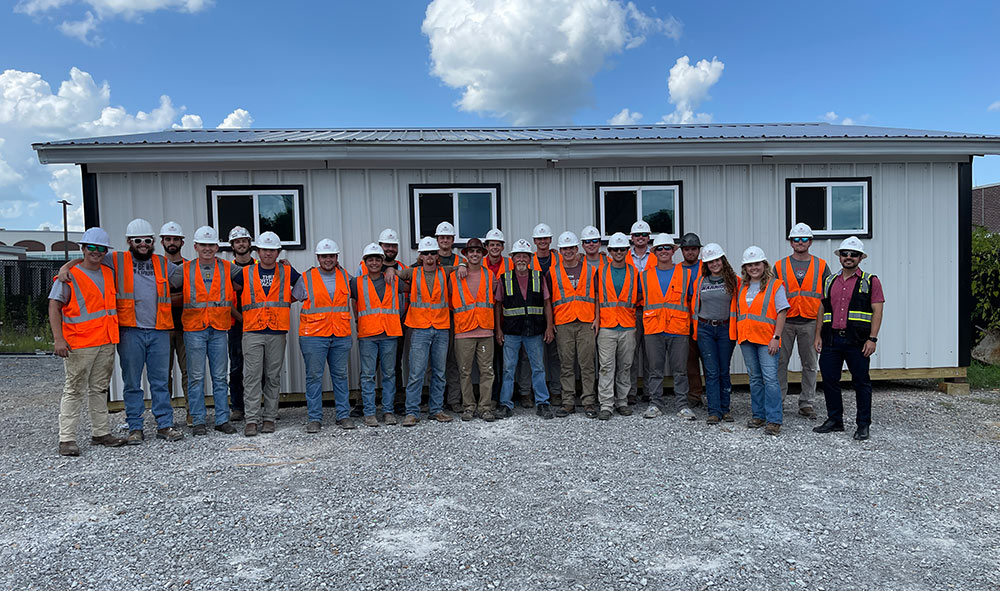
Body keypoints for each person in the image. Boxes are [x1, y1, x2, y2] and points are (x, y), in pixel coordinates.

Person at [56, 218, 186, 443]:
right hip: (130, 331)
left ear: (153, 242)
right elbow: (89, 258)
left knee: (160, 381)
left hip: (159, 331)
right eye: (138, 240)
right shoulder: (115, 260)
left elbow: (188, 276)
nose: (143, 244)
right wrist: (66, 266)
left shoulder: (163, 264)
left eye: (147, 240)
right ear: (129, 241)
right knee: (132, 382)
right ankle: (135, 427)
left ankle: (165, 425)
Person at [49, 227, 126, 456]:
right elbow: (54, 306)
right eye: (91, 247)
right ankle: (66, 439)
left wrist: (69, 263)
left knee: (100, 389)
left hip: (105, 340)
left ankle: (100, 432)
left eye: (100, 248)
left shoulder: (108, 272)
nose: (96, 252)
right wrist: (58, 339)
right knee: (74, 390)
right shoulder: (69, 276)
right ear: (83, 248)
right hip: (79, 343)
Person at [168, 225, 239, 436]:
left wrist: (282, 266)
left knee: (219, 377)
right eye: (203, 245)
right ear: (196, 246)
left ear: (217, 247)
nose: (207, 249)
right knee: (196, 377)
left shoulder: (228, 268)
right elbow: (165, 286)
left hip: (219, 328)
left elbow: (250, 276)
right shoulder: (184, 269)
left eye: (211, 245)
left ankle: (222, 420)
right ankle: (198, 420)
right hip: (194, 330)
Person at [813, 237, 885, 441]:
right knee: (829, 380)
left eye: (853, 254)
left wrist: (873, 339)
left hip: (858, 342)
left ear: (860, 257)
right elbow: (822, 310)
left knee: (861, 382)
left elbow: (877, 311)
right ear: (840, 257)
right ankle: (835, 420)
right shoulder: (829, 281)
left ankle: (863, 425)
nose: (849, 257)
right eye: (845, 253)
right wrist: (818, 335)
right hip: (831, 340)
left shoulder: (871, 281)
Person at [233, 231, 300, 437]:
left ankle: (269, 418)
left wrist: (287, 301)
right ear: (258, 251)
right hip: (252, 331)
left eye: (272, 250)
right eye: (264, 250)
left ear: (278, 252)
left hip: (277, 331)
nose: (268, 254)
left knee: (272, 376)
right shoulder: (245, 273)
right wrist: (240, 316)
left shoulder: (287, 271)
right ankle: (251, 420)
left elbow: (305, 288)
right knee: (251, 377)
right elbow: (227, 294)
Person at [294, 239, 352, 432]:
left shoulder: (345, 276)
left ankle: (343, 416)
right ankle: (314, 418)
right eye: (324, 256)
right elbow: (292, 297)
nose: (328, 259)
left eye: (331, 256)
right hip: (313, 336)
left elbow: (362, 289)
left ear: (337, 258)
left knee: (341, 376)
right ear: (318, 258)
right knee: (314, 377)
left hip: (340, 334)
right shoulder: (306, 278)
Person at [495, 239, 556, 419]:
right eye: (518, 256)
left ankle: (542, 403)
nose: (521, 259)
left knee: (538, 368)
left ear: (530, 258)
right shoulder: (504, 279)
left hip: (535, 331)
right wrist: (498, 329)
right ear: (512, 258)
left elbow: (547, 303)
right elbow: (498, 305)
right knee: (508, 369)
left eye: (525, 256)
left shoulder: (539, 276)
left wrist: (550, 327)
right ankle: (505, 404)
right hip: (511, 332)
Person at [774, 222, 828, 419]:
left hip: (810, 322)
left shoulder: (821, 265)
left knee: (810, 364)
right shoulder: (779, 266)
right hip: (785, 321)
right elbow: (772, 295)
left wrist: (820, 331)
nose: (800, 242)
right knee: (780, 363)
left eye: (804, 239)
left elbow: (825, 299)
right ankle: (777, 402)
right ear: (790, 242)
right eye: (796, 239)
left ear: (810, 241)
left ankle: (807, 403)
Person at [732, 246, 789, 436]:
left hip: (767, 340)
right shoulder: (742, 286)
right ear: (745, 268)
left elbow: (782, 312)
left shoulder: (775, 285)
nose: (753, 268)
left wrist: (776, 337)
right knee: (755, 378)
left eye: (757, 264)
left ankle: (774, 419)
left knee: (770, 379)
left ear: (764, 265)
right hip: (747, 338)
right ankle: (758, 415)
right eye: (749, 265)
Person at [398, 236, 454, 427]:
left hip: (441, 328)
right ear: (420, 256)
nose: (429, 256)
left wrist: (462, 266)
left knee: (439, 372)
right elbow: (394, 274)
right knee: (416, 372)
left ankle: (436, 410)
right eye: (425, 253)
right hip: (420, 329)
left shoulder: (444, 271)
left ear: (437, 255)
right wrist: (389, 269)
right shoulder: (412, 273)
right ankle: (412, 412)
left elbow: (460, 268)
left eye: (432, 253)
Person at [639, 234, 693, 420]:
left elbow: (692, 300)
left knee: (680, 370)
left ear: (673, 251)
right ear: (654, 252)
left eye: (667, 248)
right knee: (655, 369)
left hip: (678, 329)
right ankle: (655, 404)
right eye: (659, 249)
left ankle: (682, 405)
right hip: (653, 328)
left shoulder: (685, 274)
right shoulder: (644, 276)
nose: (663, 252)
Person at [354, 228, 407, 416]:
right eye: (387, 245)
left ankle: (392, 406)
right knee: (368, 372)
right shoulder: (361, 272)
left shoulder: (399, 269)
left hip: (393, 327)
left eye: (393, 245)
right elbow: (355, 295)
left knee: (392, 370)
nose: (390, 248)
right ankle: (365, 407)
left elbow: (411, 287)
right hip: (369, 329)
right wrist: (356, 319)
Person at [550, 231, 599, 418]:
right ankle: (568, 402)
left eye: (571, 248)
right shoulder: (553, 272)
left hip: (586, 322)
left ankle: (588, 402)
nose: (568, 251)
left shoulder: (590, 269)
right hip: (563, 323)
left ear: (577, 249)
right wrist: (551, 322)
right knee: (566, 364)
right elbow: (548, 300)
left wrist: (597, 318)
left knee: (587, 365)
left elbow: (597, 296)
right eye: (565, 248)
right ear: (560, 251)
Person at [595, 232, 642, 420]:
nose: (619, 252)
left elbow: (639, 296)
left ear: (627, 250)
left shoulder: (634, 272)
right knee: (606, 367)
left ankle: (622, 401)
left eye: (622, 249)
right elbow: (597, 298)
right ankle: (606, 404)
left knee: (625, 366)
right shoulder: (601, 271)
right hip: (607, 326)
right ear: (609, 251)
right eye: (615, 249)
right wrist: (597, 320)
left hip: (628, 325)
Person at [691, 243, 739, 425]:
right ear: (706, 264)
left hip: (726, 329)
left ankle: (725, 409)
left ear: (723, 260)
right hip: (705, 329)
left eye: (717, 260)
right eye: (710, 262)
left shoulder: (734, 281)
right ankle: (714, 411)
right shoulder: (700, 281)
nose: (714, 264)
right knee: (711, 371)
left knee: (723, 370)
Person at [450, 238, 496, 422]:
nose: (475, 254)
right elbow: (450, 301)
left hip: (485, 331)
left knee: (487, 371)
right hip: (463, 332)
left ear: (482, 254)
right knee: (464, 371)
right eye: (471, 252)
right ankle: (468, 407)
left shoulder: (489, 275)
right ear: (466, 255)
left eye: (478, 251)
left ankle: (485, 407)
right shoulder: (455, 276)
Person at [226, 226, 256, 422]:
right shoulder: (227, 270)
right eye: (237, 241)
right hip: (236, 325)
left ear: (249, 243)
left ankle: (256, 405)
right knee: (237, 367)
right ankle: (237, 407)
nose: (241, 244)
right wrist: (241, 318)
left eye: (244, 240)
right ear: (232, 246)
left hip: (259, 325)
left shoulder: (261, 266)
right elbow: (225, 298)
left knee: (258, 368)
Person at [159, 221, 188, 417]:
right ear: (162, 242)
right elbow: (151, 297)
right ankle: (165, 417)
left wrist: (164, 299)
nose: (172, 242)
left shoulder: (189, 267)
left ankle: (191, 412)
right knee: (162, 376)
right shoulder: (155, 266)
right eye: (168, 239)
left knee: (190, 374)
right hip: (162, 328)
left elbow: (190, 297)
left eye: (175, 239)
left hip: (187, 327)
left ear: (182, 242)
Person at [626, 221, 655, 405]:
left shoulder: (657, 256)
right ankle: (630, 392)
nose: (640, 238)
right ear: (632, 238)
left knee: (651, 354)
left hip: (652, 310)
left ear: (649, 237)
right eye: (637, 235)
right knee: (631, 353)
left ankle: (650, 391)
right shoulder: (622, 256)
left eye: (644, 235)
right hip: (631, 311)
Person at [679, 232, 705, 408]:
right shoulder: (676, 269)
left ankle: (714, 396)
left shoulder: (707, 267)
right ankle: (694, 395)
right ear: (681, 251)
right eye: (686, 249)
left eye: (693, 249)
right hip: (684, 322)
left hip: (705, 320)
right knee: (690, 361)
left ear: (699, 250)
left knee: (710, 362)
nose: (690, 252)